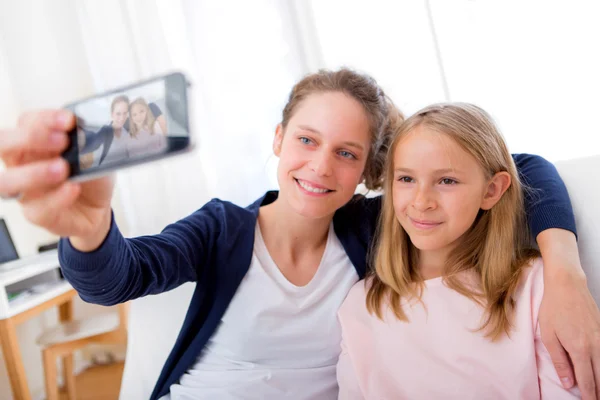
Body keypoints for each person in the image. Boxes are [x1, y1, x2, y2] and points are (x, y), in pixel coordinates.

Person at [0, 69, 597, 400]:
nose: (319, 167)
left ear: (369, 172)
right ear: (279, 138)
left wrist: (564, 271)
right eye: (307, 140)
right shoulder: (222, 230)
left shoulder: (378, 225)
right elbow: (120, 276)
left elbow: (523, 170)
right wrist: (88, 231)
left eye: (346, 152)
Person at [336, 103, 582, 399]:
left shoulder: (537, 288)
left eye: (447, 181)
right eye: (406, 179)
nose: (422, 201)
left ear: (491, 191)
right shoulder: (361, 305)